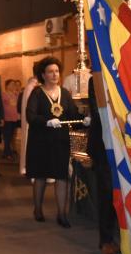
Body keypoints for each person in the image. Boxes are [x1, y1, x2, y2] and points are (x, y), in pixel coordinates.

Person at [26, 56, 89, 228]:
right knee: (41, 175)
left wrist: (84, 119)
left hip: (60, 141)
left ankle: (62, 214)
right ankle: (38, 209)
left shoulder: (65, 93)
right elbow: (30, 116)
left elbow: (72, 114)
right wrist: (46, 121)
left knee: (62, 177)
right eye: (50, 72)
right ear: (43, 75)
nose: (54, 75)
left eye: (56, 71)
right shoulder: (37, 93)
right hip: (40, 141)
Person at [87, 76, 119, 254]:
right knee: (106, 193)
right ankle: (106, 240)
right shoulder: (96, 79)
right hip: (103, 143)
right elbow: (97, 110)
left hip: (125, 143)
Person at [1, 79, 19, 160]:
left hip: (14, 119)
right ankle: (7, 153)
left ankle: (7, 152)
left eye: (14, 84)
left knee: (11, 136)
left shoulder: (15, 94)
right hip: (7, 119)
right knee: (7, 137)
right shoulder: (3, 94)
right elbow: (1, 107)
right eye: (11, 84)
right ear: (7, 86)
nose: (13, 86)